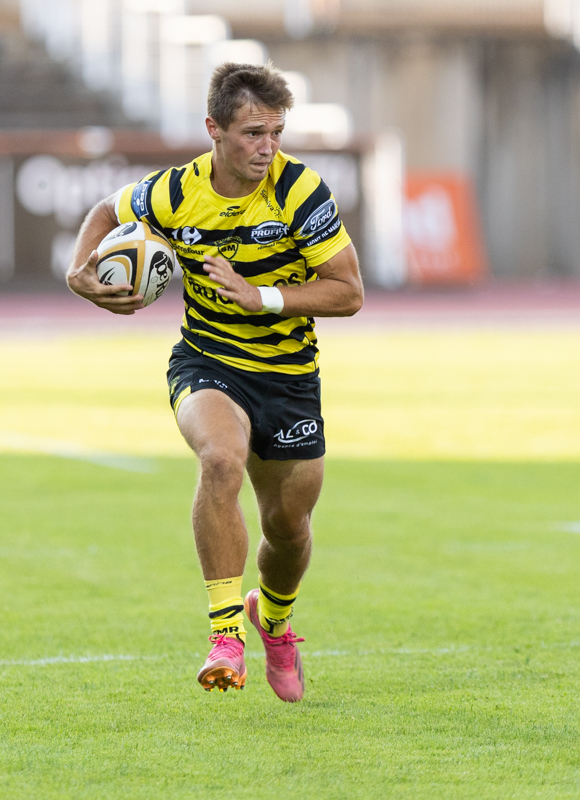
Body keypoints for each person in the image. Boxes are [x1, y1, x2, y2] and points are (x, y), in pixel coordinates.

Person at [65, 63, 363, 701]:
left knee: (289, 528)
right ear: (214, 130)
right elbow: (104, 210)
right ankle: (226, 636)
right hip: (208, 359)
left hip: (288, 376)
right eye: (254, 133)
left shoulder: (300, 192)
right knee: (221, 459)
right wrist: (78, 271)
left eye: (276, 133)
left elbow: (349, 291)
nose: (268, 148)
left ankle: (272, 620)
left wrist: (261, 296)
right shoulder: (175, 192)